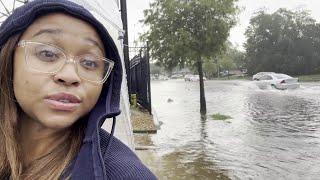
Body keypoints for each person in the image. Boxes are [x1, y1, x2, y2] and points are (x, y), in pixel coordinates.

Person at [0, 0, 157, 179]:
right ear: (8, 60)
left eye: (89, 63)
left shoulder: (125, 173)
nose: (69, 76)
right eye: (48, 53)